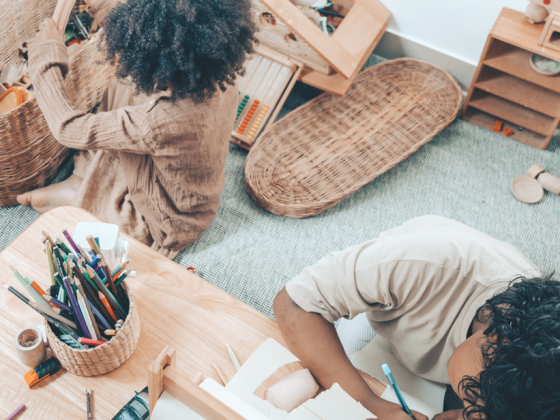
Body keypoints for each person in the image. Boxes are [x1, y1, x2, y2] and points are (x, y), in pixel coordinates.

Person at [17, 0, 256, 258]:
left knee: (119, 106)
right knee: (123, 85)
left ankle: (84, 193)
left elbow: (68, 127)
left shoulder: (162, 120)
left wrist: (45, 56)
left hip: (167, 218)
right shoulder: (211, 67)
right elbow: (147, 28)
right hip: (179, 175)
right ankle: (80, 181)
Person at [273, 215, 560, 420]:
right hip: (392, 318)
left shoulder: (538, 364)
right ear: (495, 340)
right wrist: (369, 404)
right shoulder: (422, 265)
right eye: (476, 404)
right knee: (327, 371)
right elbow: (293, 304)